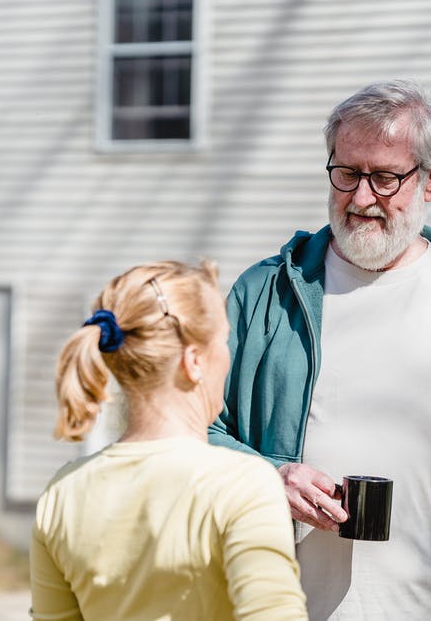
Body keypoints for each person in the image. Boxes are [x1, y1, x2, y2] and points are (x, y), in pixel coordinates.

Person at [208, 80, 431, 620]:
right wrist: (268, 477)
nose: (361, 198)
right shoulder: (264, 296)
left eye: (385, 178)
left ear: (430, 180)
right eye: (347, 173)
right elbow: (191, 433)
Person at [30, 260, 308, 621]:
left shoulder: (60, 494)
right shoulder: (244, 485)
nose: (229, 357)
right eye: (224, 341)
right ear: (194, 361)